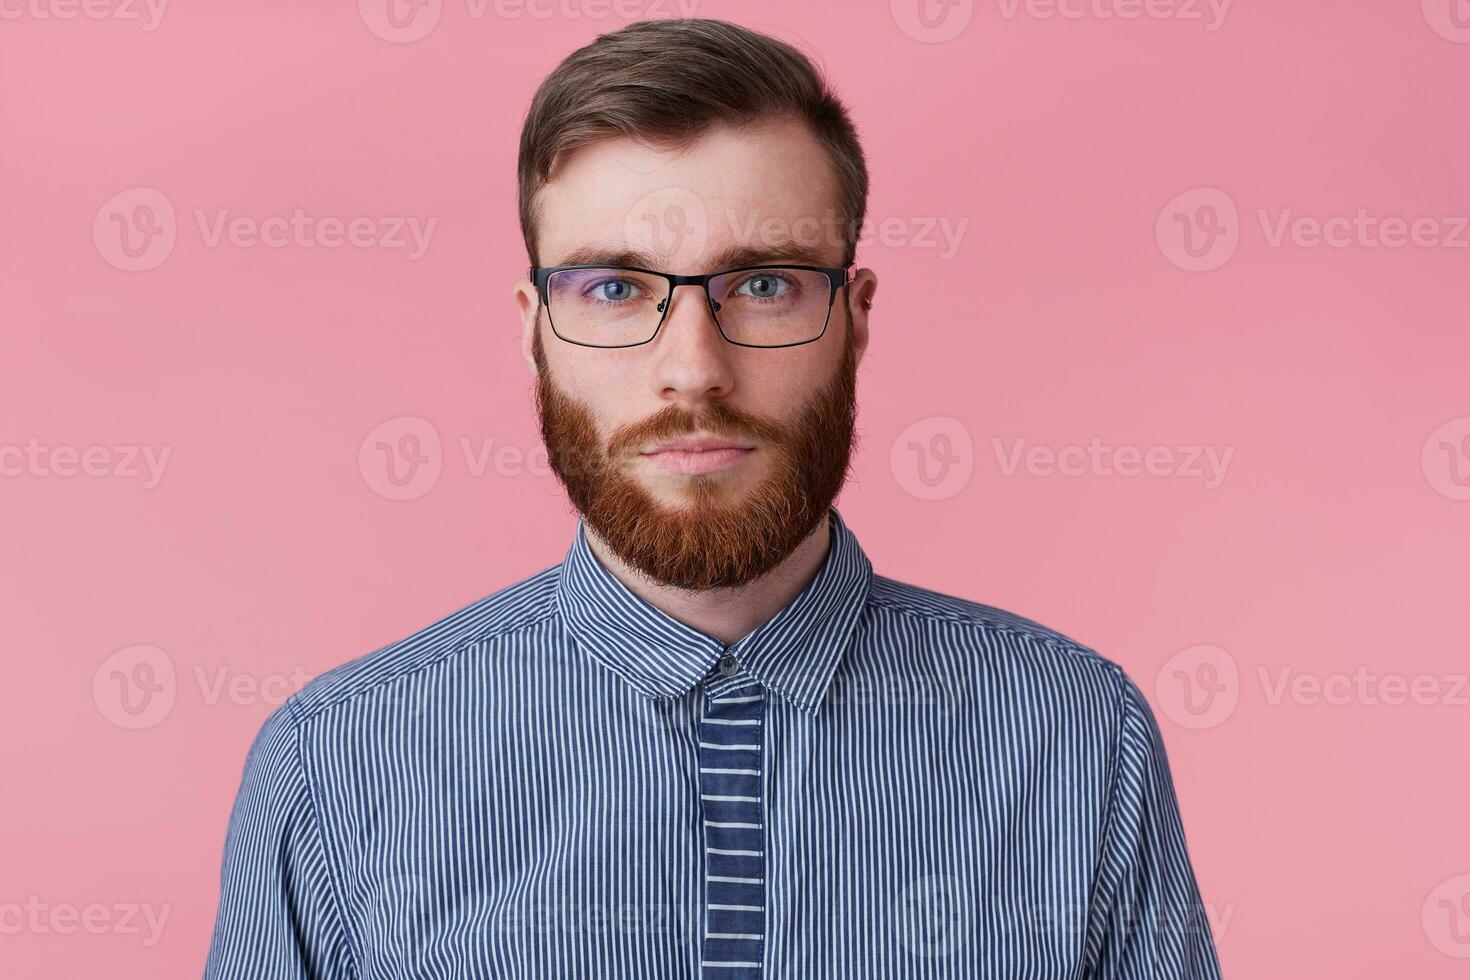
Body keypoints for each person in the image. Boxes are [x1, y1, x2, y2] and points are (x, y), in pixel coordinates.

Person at [204, 17, 1222, 979]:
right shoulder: (335, 766)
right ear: (532, 328)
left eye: (765, 284)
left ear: (855, 318)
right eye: (614, 287)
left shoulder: (1079, 738)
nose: (693, 371)